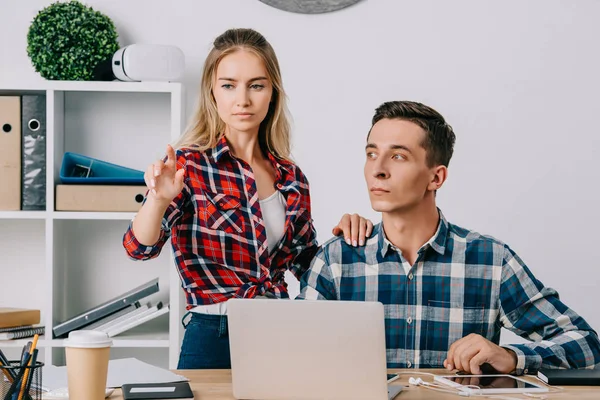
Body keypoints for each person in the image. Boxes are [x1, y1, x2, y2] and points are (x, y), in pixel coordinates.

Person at [122, 28, 372, 369]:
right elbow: (139, 248)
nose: (243, 99)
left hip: (280, 330)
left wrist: (347, 237)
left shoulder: (292, 178)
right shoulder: (188, 166)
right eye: (229, 85)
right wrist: (158, 199)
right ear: (213, 91)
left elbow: (309, 267)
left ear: (272, 93)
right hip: (214, 332)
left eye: (256, 85)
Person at [298, 100, 600, 375]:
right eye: (371, 154)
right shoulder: (336, 261)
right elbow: (290, 353)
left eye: (398, 156)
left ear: (436, 177)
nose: (378, 170)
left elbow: (586, 345)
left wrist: (511, 356)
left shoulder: (490, 261)